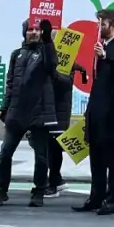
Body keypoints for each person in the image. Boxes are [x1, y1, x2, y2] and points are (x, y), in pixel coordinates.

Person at [0, 19, 58, 208]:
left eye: (37, 30)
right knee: (5, 153)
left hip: (39, 113)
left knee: (41, 156)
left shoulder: (46, 52)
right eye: (30, 30)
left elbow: (52, 64)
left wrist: (48, 40)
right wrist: (5, 108)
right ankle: (1, 190)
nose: (34, 33)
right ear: (24, 32)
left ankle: (38, 192)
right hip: (17, 112)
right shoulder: (16, 54)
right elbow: (10, 83)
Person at [73, 8, 114, 216]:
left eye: (103, 24)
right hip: (96, 109)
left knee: (112, 158)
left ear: (113, 26)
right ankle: (95, 197)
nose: (99, 28)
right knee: (96, 156)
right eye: (99, 24)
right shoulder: (101, 47)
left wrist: (105, 56)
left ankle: (112, 200)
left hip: (111, 111)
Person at [46, 60, 87, 199]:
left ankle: (53, 183)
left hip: (58, 113)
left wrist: (52, 72)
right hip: (45, 111)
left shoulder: (65, 63)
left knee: (54, 147)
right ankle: (56, 180)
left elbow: (64, 83)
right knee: (46, 147)